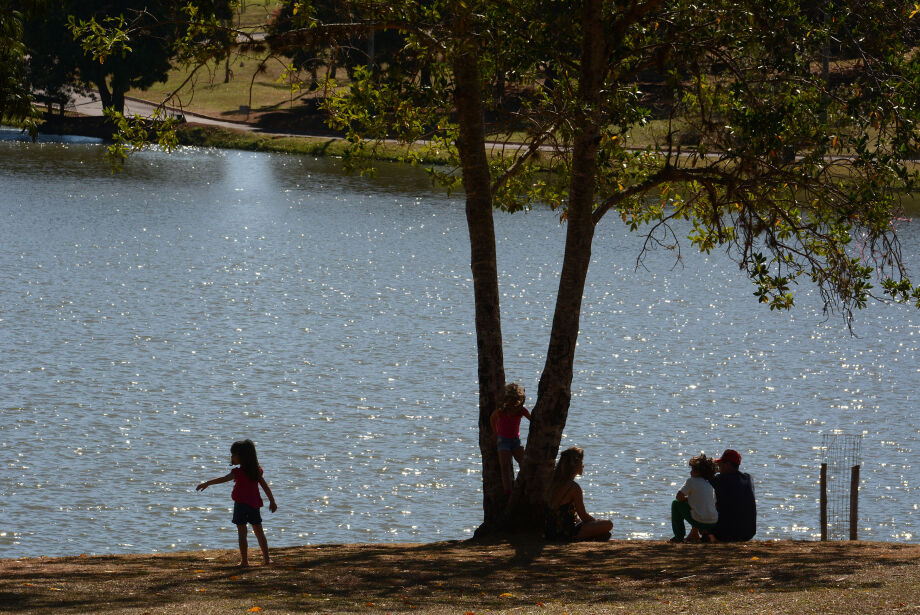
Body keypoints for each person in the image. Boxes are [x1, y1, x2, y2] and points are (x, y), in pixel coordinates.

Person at [197, 439, 278, 566]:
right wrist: (272, 501)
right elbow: (265, 487)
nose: (231, 457)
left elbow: (223, 479)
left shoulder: (238, 473)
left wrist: (207, 483)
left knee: (242, 533)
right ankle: (266, 559)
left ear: (242, 457)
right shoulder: (256, 471)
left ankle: (245, 561)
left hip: (240, 505)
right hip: (254, 505)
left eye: (233, 454)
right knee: (259, 532)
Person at [545, 447, 613, 541]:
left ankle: (591, 536)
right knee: (608, 524)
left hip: (550, 531)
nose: (583, 466)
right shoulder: (573, 487)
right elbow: (584, 516)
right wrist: (595, 521)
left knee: (603, 531)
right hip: (566, 532)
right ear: (575, 465)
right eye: (581, 463)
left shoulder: (554, 481)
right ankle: (580, 537)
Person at [489, 383, 532, 495]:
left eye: (516, 404)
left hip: (515, 441)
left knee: (524, 463)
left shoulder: (521, 410)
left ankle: (522, 485)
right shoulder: (502, 410)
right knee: (505, 466)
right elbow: (492, 419)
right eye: (512, 403)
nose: (514, 407)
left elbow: (532, 420)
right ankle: (508, 491)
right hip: (503, 441)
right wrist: (495, 432)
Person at [710, 448, 756, 542]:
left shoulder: (720, 480)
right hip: (748, 533)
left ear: (727, 465)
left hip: (725, 533)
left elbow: (704, 483)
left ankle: (701, 535)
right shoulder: (748, 478)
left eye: (720, 463)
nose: (718, 466)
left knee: (699, 501)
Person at [670, 454, 718, 543]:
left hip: (699, 521)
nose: (690, 472)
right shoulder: (709, 485)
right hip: (713, 521)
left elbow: (679, 497)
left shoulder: (691, 481)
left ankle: (678, 536)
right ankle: (705, 533)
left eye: (692, 469)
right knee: (698, 508)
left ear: (698, 472)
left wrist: (686, 500)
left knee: (675, 503)